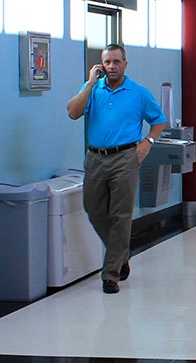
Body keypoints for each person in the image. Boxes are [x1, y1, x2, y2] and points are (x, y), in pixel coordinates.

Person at [64, 44, 167, 294]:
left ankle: (110, 274)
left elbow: (158, 120)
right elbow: (73, 112)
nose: (112, 66)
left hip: (125, 157)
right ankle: (120, 254)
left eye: (116, 62)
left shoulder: (138, 93)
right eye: (107, 62)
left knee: (121, 215)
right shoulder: (93, 90)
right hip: (96, 157)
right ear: (101, 65)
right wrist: (89, 83)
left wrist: (148, 143)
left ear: (125, 64)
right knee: (93, 208)